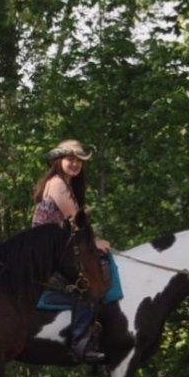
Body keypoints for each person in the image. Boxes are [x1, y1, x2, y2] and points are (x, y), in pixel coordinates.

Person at [31, 139, 111, 363]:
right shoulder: (57, 184)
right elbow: (76, 221)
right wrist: (95, 241)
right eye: (70, 159)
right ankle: (81, 343)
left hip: (57, 246)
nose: (75, 164)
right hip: (48, 248)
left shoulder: (65, 184)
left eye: (79, 161)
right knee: (87, 284)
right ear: (59, 161)